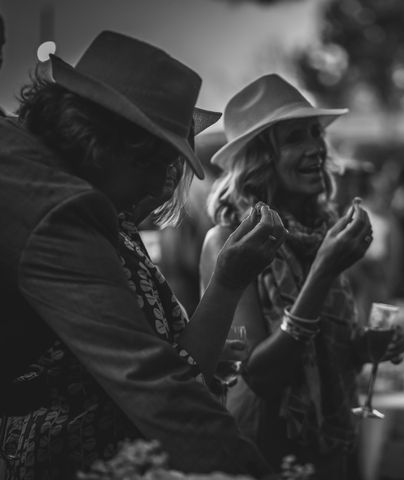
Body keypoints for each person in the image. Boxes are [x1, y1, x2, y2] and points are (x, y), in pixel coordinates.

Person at [0, 31, 284, 479]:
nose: (160, 184)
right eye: (155, 162)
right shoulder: (63, 210)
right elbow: (150, 379)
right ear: (104, 142)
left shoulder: (77, 198)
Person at [198, 73, 404, 480]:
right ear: (260, 159)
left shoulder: (321, 233)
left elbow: (326, 348)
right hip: (267, 445)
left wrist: (365, 347)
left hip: (328, 444)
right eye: (295, 138)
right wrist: (325, 270)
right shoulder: (226, 241)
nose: (315, 148)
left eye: (316, 133)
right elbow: (259, 374)